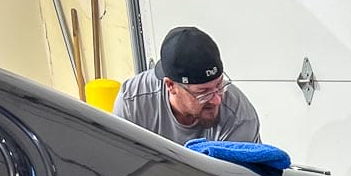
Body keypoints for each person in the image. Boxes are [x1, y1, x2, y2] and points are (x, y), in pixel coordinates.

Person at [112, 26, 261, 145]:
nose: (217, 100)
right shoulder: (133, 104)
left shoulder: (239, 117)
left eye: (219, 85)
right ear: (171, 85)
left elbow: (232, 175)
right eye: (204, 92)